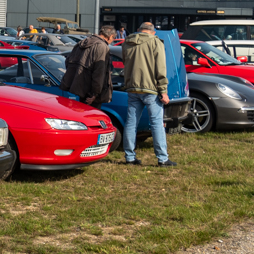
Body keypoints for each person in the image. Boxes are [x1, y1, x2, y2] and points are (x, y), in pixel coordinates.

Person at [122, 22, 175, 168]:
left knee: (131, 123)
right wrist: (163, 90)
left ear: (139, 30)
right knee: (157, 123)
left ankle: (130, 157)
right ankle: (162, 158)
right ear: (153, 32)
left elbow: (125, 63)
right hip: (150, 88)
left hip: (132, 87)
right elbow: (161, 67)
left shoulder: (127, 42)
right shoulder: (155, 42)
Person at [60, 25, 115, 106]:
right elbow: (99, 73)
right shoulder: (102, 46)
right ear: (111, 36)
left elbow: (68, 62)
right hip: (91, 95)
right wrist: (95, 94)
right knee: (92, 117)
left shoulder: (81, 42)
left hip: (79, 89)